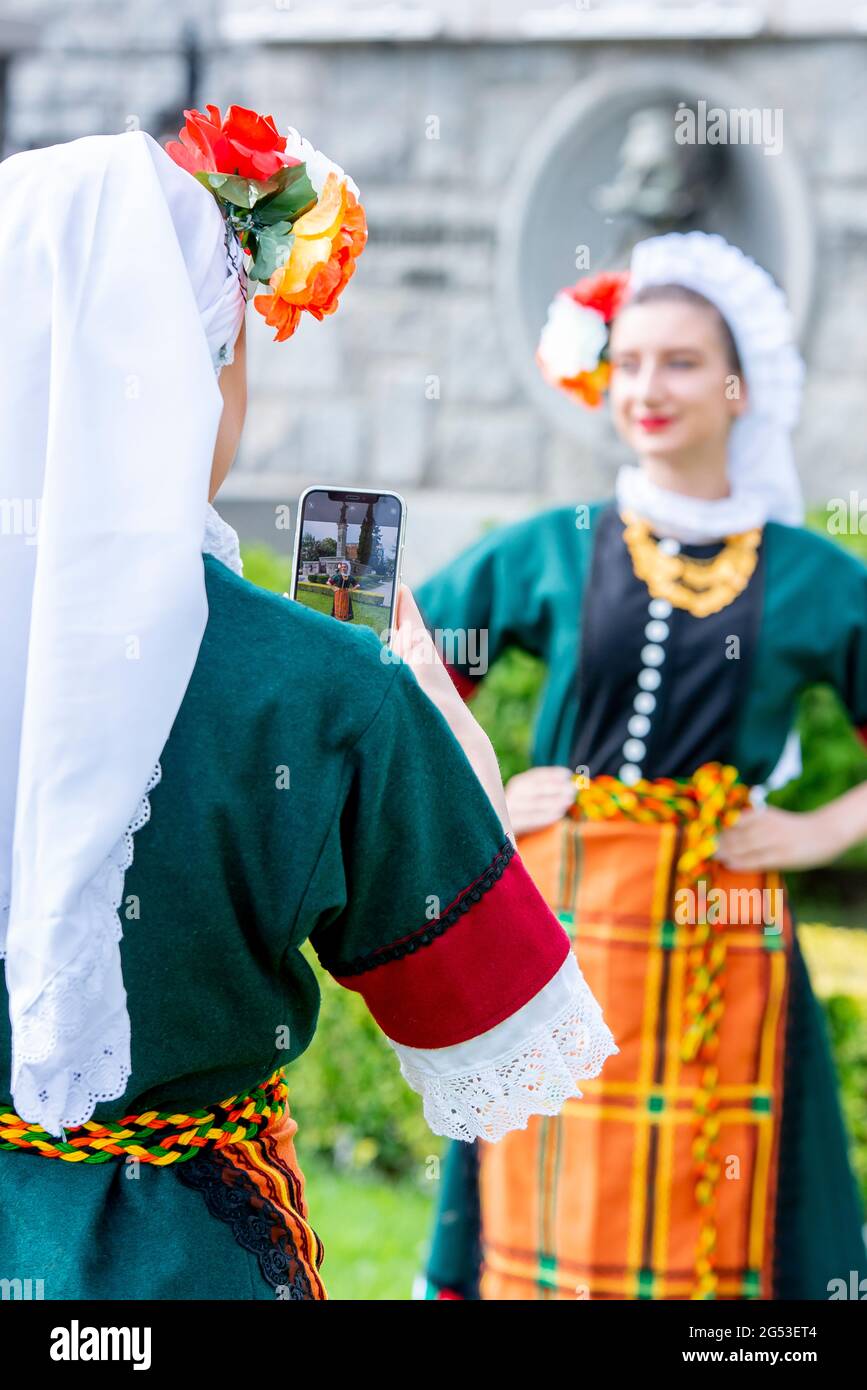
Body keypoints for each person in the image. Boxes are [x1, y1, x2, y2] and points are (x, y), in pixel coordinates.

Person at [0, 108, 617, 1300]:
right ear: (199, 370)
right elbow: (486, 1010)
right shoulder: (321, 684)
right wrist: (423, 705)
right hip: (186, 1262)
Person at [418, 232, 867, 1300]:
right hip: (557, 929)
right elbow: (400, 660)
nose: (646, 388)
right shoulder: (557, 546)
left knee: (722, 1194)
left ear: (741, 383)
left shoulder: (811, 577)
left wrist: (824, 827)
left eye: (677, 362)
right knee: (552, 1187)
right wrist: (483, 788)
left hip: (727, 930)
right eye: (627, 362)